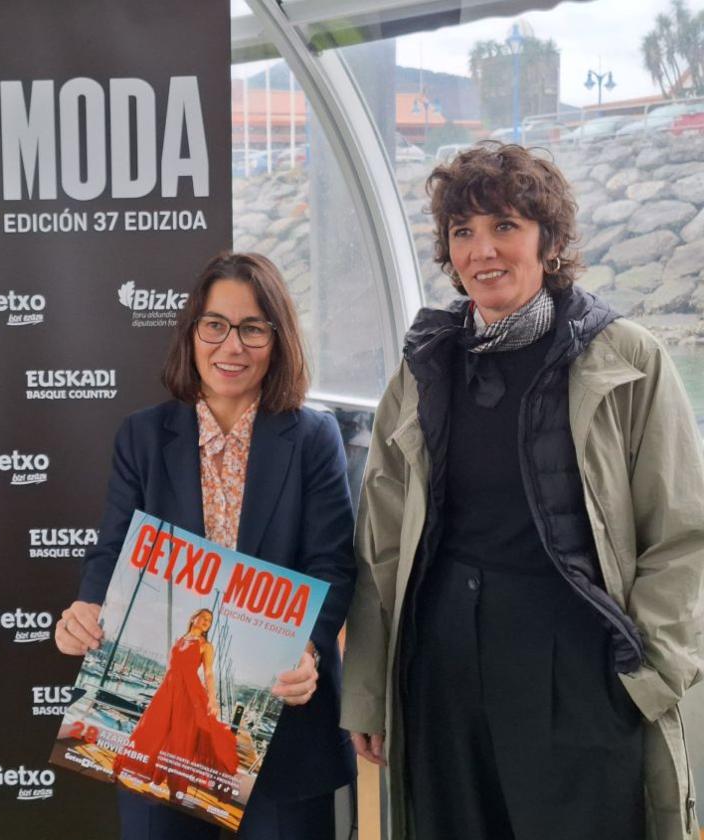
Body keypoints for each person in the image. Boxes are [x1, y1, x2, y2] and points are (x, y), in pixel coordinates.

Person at [340, 143, 704, 840]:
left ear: (551, 239)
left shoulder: (626, 358)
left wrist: (648, 675)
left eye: (505, 225)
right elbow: (381, 543)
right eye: (463, 232)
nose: (484, 250)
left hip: (578, 665)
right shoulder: (426, 366)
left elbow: (682, 532)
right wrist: (368, 693)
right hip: (441, 664)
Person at [56, 251, 357, 840]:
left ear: (278, 339)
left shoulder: (313, 436)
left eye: (253, 328)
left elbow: (333, 564)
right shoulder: (143, 437)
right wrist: (87, 611)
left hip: (281, 717)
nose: (232, 346)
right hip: (163, 721)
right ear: (193, 333)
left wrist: (311, 652)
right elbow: (115, 551)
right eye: (215, 325)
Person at [112, 609, 238, 800]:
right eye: (203, 617)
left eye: (209, 620)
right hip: (167, 690)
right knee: (148, 729)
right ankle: (119, 767)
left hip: (189, 694)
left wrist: (212, 698)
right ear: (193, 618)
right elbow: (171, 667)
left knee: (181, 741)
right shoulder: (180, 639)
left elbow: (209, 673)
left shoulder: (206, 646)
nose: (206, 621)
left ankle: (176, 791)